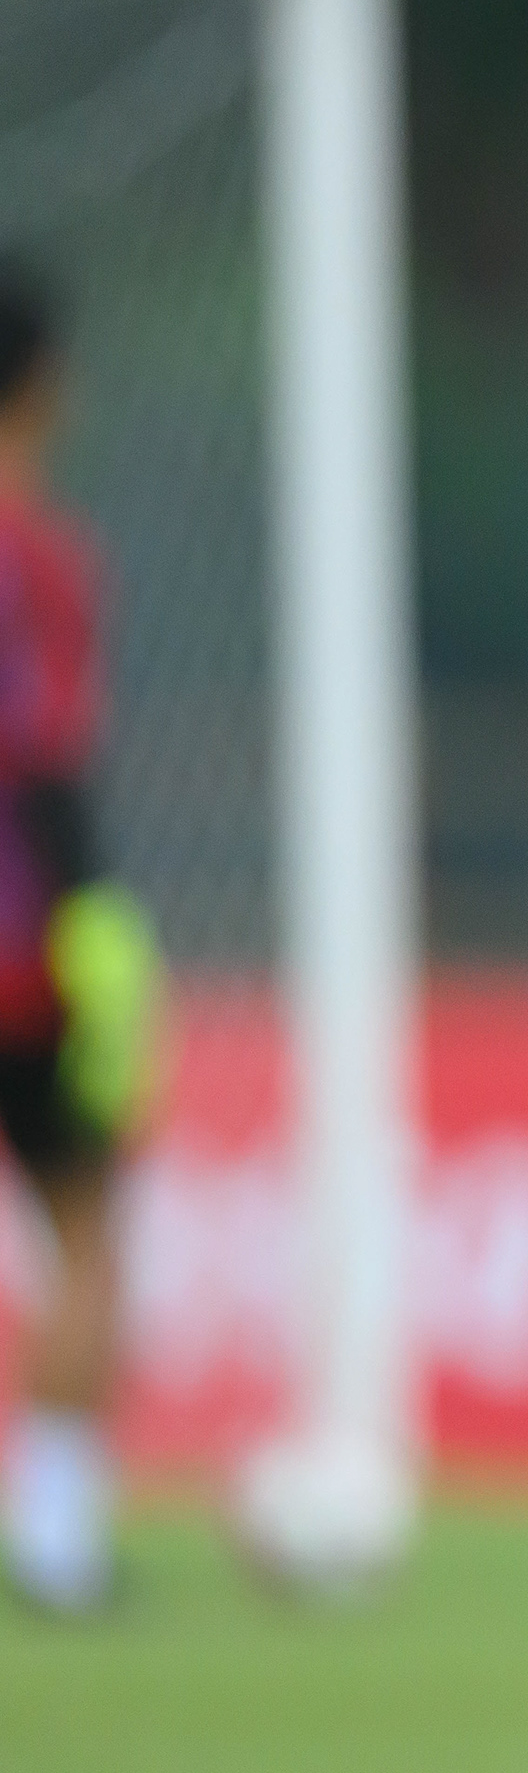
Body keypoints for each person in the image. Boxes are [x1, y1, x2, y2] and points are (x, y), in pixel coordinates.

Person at [0, 260, 164, 1616]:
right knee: (88, 1232)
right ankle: (56, 1544)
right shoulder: (38, 560)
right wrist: (99, 928)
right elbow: (45, 760)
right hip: (21, 952)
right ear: (45, 382)